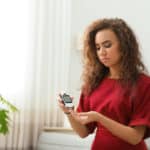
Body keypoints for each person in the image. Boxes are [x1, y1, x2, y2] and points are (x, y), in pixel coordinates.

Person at [58, 18, 150, 150]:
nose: (102, 52)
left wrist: (99, 117)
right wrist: (69, 112)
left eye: (107, 45)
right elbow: (83, 132)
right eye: (98, 47)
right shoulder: (92, 83)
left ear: (124, 46)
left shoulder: (144, 84)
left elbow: (135, 137)